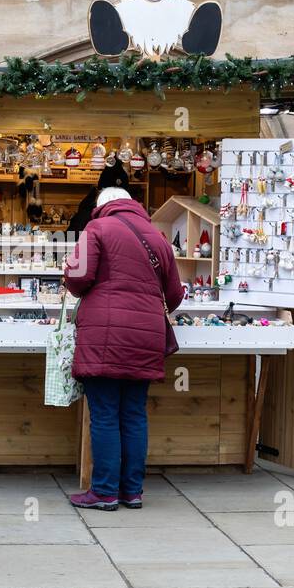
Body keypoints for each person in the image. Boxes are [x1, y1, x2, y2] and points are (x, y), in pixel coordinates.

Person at [63, 186, 183, 510]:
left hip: (105, 336)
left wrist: (69, 270)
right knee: (133, 414)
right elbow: (174, 295)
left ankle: (103, 491)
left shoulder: (97, 228)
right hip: (146, 337)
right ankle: (132, 491)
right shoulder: (158, 236)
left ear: (102, 206)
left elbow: (77, 279)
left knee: (103, 415)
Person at [66, 161, 130, 237]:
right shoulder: (85, 214)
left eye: (120, 196)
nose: (114, 203)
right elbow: (71, 241)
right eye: (108, 195)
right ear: (99, 192)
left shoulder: (131, 215)